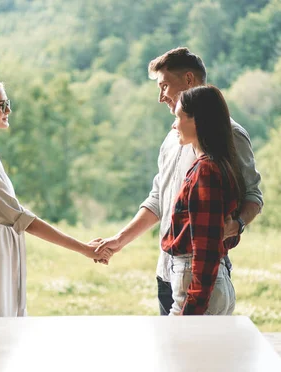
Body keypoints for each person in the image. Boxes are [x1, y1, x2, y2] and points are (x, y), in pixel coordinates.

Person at [95, 47, 263, 315]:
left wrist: (237, 223)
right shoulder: (173, 137)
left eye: (164, 86)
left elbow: (253, 196)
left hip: (199, 273)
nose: (161, 97)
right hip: (167, 272)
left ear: (188, 80)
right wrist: (118, 241)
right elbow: (158, 200)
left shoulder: (231, 136)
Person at [0, 78, 111, 317]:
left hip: (1, 249)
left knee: (6, 329)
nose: (8, 110)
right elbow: (23, 219)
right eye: (1, 105)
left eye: (7, 103)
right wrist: (84, 249)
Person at [162, 85, 244, 315]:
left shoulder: (205, 170)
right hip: (217, 282)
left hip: (197, 285)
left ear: (197, 121)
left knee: (180, 350)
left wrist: (192, 308)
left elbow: (206, 247)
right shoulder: (219, 165)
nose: (174, 124)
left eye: (179, 117)